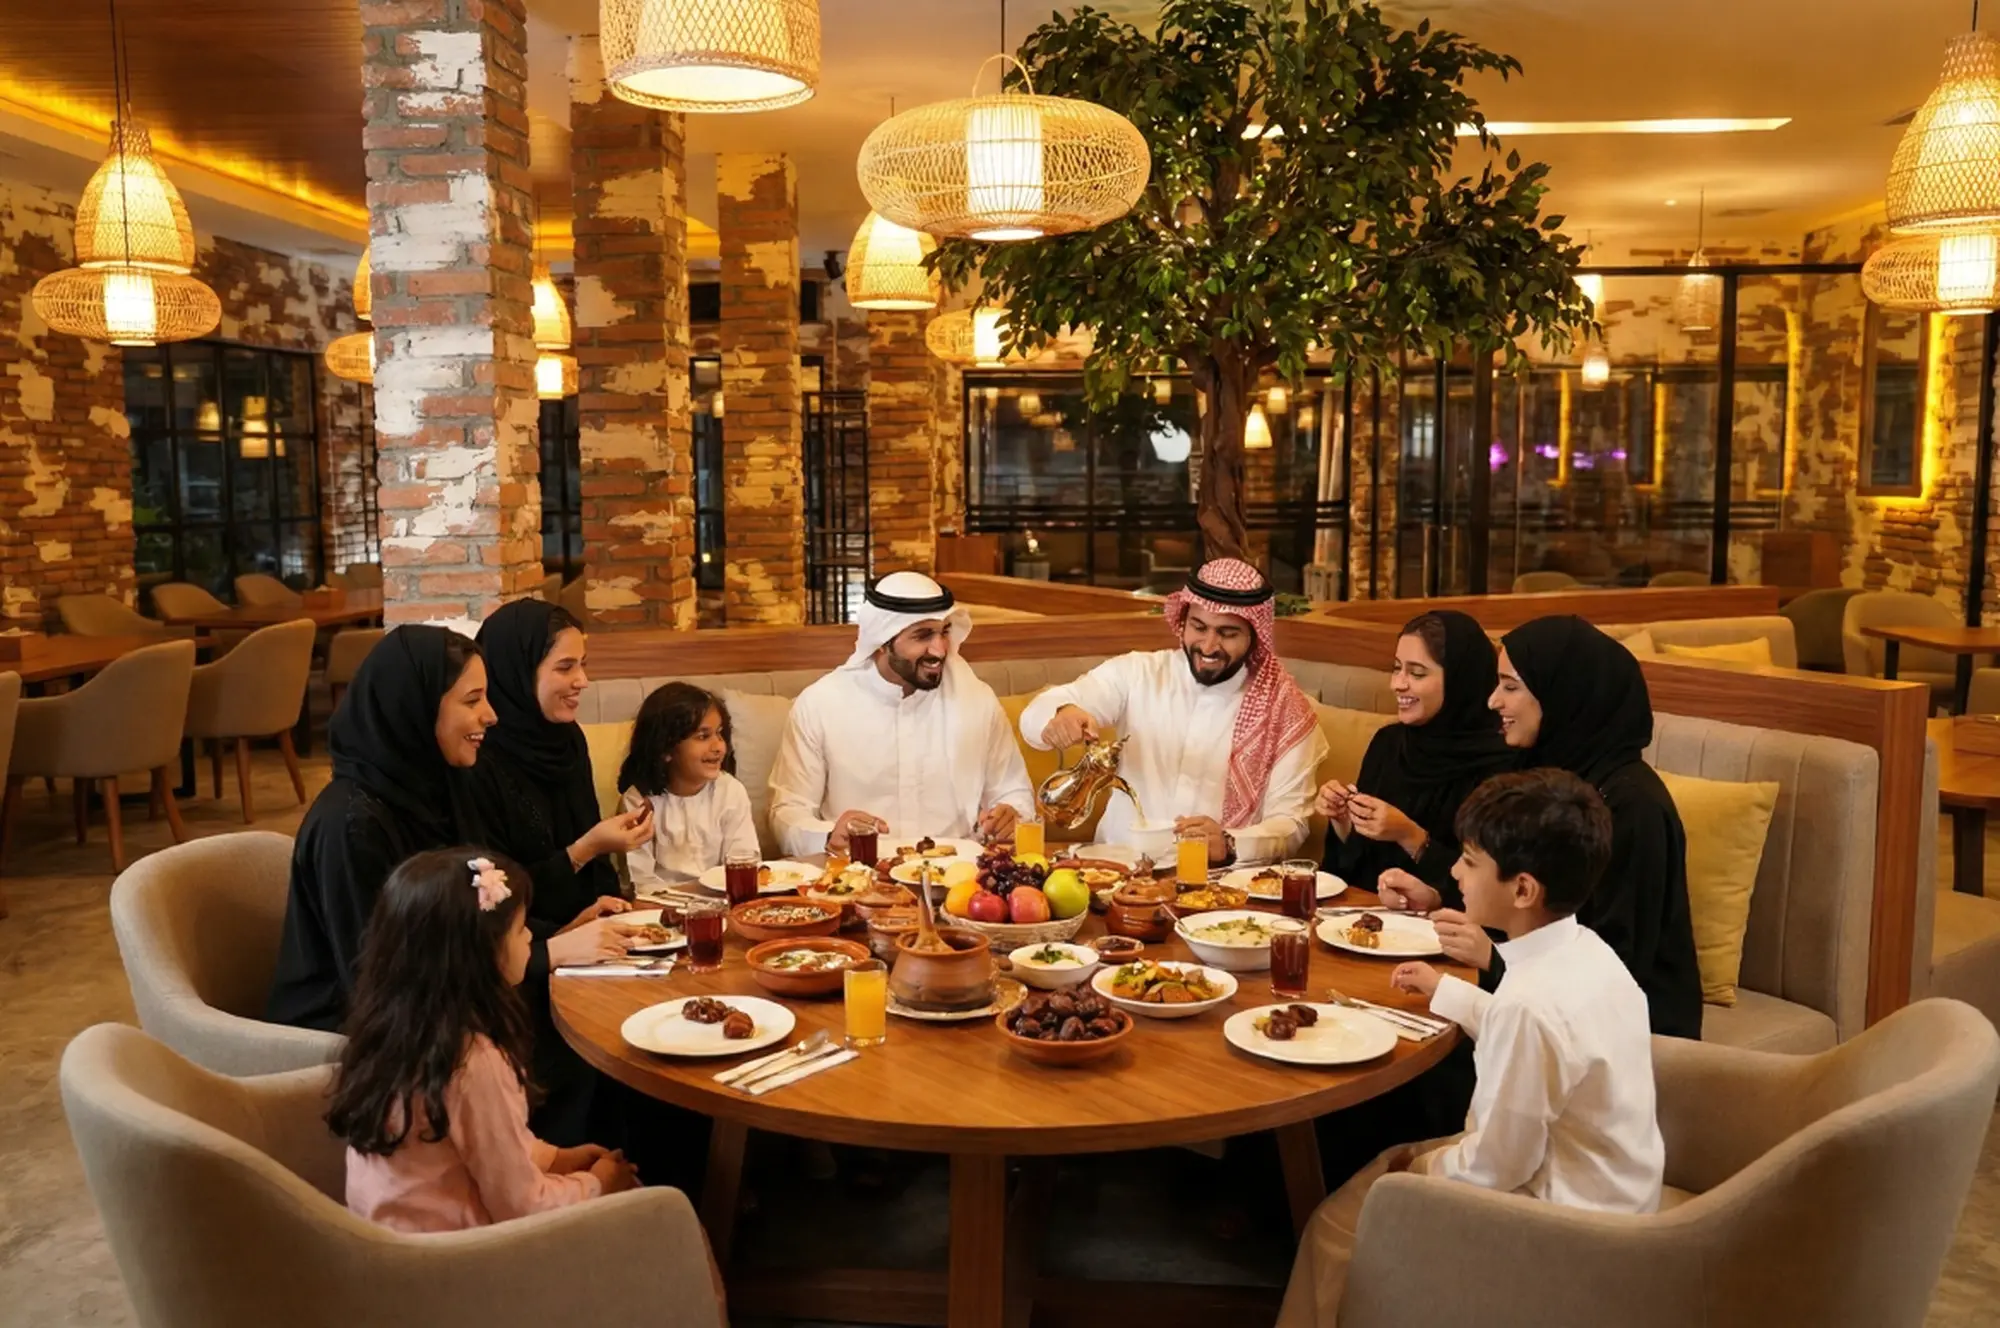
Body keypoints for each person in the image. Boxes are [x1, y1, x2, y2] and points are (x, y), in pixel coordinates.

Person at [1278, 769, 1665, 1327]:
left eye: (1470, 860)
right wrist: (1452, 995)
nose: (1454, 871)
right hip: (1618, 1188)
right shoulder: (1589, 953)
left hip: (1568, 1227)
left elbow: (1499, 1163)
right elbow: (1552, 1047)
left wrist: (1423, 1167)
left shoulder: (1528, 1005)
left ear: (1524, 889)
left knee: (1336, 1224)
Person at [1385, 614, 1702, 1039]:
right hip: (1537, 1003)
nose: (1492, 701)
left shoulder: (1632, 806)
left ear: (1563, 696)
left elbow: (1614, 966)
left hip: (1624, 1038)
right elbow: (1524, 894)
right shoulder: (1543, 771)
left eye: (1511, 687)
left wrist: (1495, 960)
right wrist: (1439, 894)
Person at [332, 849, 640, 1233]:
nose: (531, 938)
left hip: (387, 1246)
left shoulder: (396, 1033)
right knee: (660, 1217)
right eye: (521, 929)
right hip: (461, 1260)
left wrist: (555, 1158)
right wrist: (598, 1185)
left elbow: (477, 1142)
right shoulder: (472, 1061)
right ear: (479, 957)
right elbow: (524, 1208)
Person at [468, 598, 661, 1142]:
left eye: (583, 664)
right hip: (517, 954)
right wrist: (583, 851)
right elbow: (492, 895)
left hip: (578, 932)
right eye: (564, 667)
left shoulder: (567, 740)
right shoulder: (478, 760)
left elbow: (592, 857)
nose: (582, 681)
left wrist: (605, 904)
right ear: (516, 669)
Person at [1020, 558, 1326, 867]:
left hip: (1216, 884)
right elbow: (1037, 716)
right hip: (1113, 872)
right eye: (1199, 627)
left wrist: (1231, 843)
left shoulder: (1284, 711)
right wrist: (1062, 713)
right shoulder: (1138, 673)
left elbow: (1291, 825)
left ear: (1254, 635)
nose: (1209, 645)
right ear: (1183, 619)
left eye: (1228, 633)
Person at [268, 625, 499, 1030]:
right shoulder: (351, 824)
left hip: (439, 998)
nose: (491, 715)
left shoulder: (438, 787)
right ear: (415, 707)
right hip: (354, 1034)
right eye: (472, 700)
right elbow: (378, 978)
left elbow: (472, 916)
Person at [769, 571, 1034, 856]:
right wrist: (830, 834)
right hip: (859, 879)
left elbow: (1013, 792)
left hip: (960, 880)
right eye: (922, 636)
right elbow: (787, 813)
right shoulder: (821, 704)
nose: (940, 649)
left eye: (944, 632)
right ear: (882, 642)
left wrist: (1010, 815)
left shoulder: (977, 700)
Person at [1316, 610, 1516, 894]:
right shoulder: (1388, 743)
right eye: (1397, 668)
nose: (1397, 684)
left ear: (1461, 678)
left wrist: (1410, 835)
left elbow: (1491, 892)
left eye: (1417, 673)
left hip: (1446, 930)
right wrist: (1344, 821)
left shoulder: (1502, 767)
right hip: (1364, 921)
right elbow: (1350, 874)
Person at [619, 682, 760, 888]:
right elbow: (640, 883)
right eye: (703, 736)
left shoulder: (730, 791)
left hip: (722, 901)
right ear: (666, 749)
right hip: (660, 909)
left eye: (719, 733)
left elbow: (744, 862)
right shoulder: (638, 802)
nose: (719, 747)